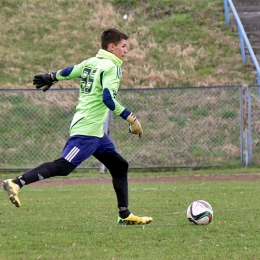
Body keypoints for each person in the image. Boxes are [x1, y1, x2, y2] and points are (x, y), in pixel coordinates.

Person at [2, 28, 153, 226]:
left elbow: (71, 71)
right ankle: (16, 182)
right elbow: (108, 98)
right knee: (64, 166)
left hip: (96, 132)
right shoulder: (111, 67)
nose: (126, 51)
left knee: (119, 166)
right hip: (88, 130)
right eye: (124, 47)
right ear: (112, 47)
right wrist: (131, 119)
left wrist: (52, 76)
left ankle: (124, 215)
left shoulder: (91, 62)